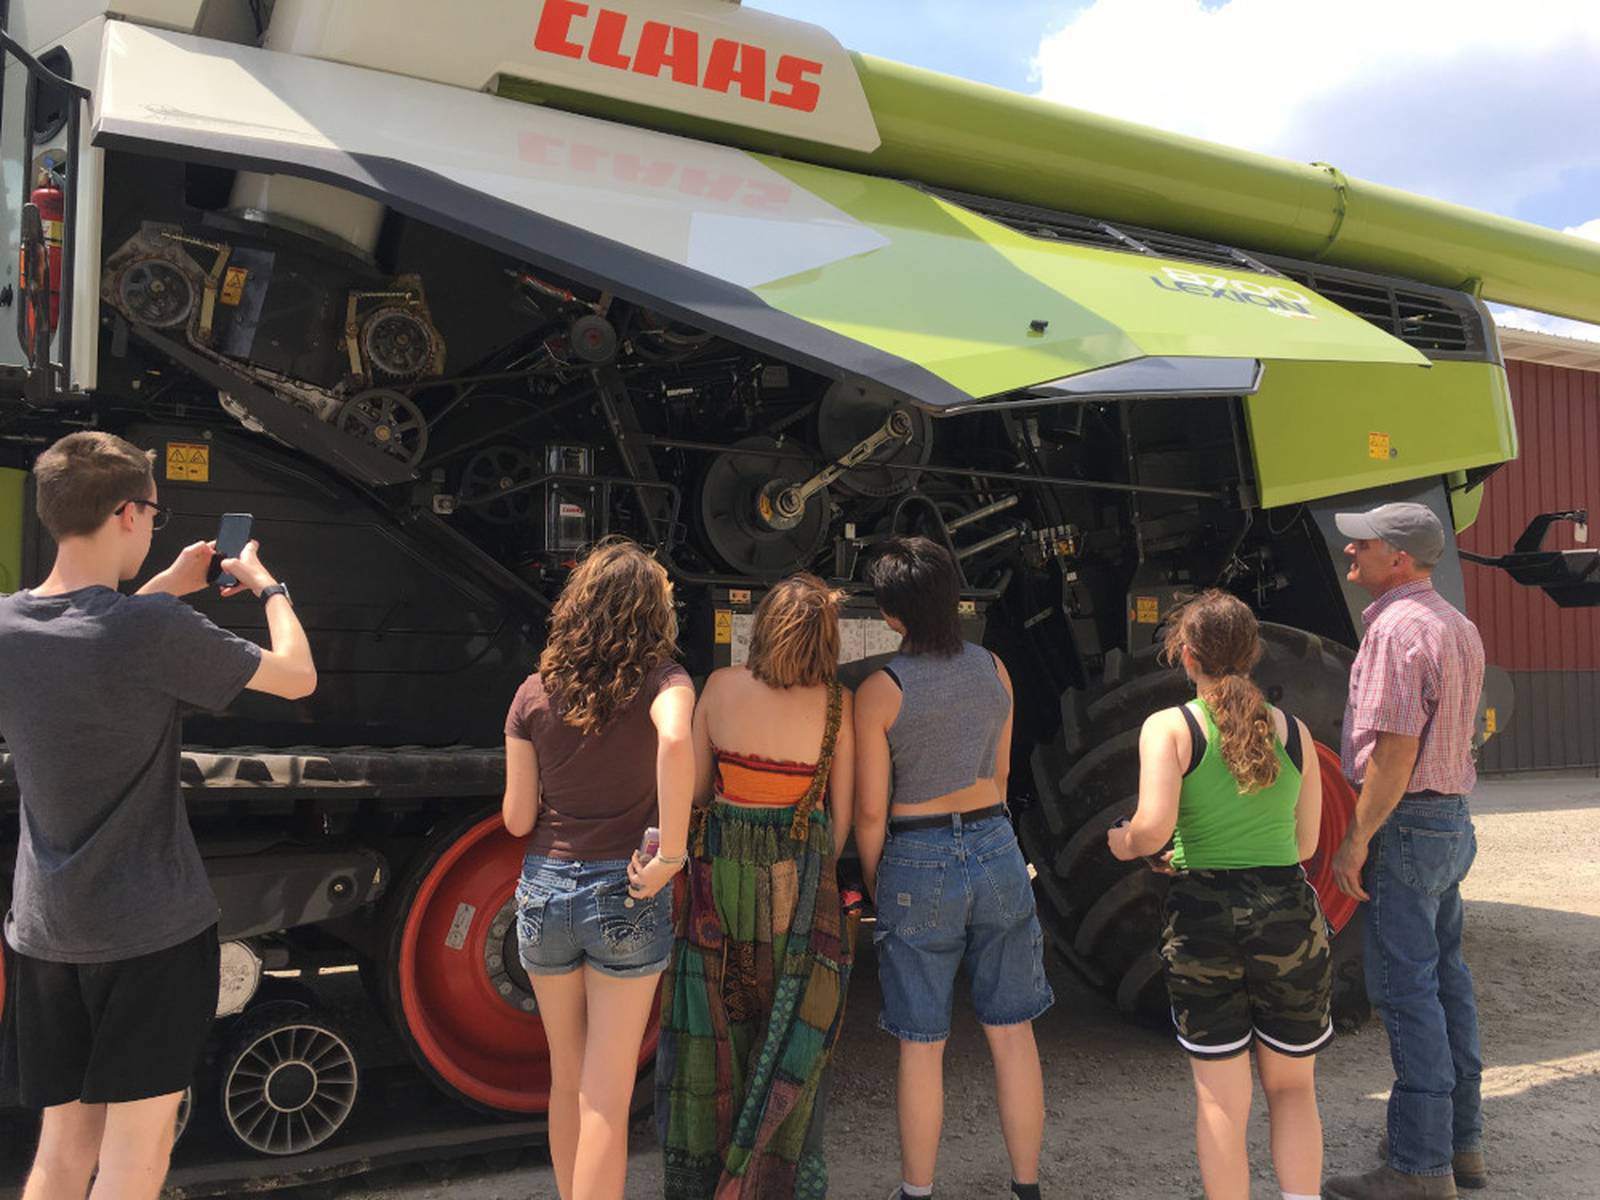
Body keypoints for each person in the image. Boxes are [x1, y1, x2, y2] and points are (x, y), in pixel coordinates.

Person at [0, 431, 316, 1200]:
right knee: (136, 1160)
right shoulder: (151, 633)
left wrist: (167, 585)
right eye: (153, 510)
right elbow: (298, 678)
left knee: (62, 1151)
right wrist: (269, 588)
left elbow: (87, 635)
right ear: (126, 515)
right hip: (149, 933)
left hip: (45, 934)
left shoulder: (9, 625)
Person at [1108, 589, 1329, 1200]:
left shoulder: (1170, 728)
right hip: (1287, 912)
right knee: (1293, 1089)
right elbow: (1306, 842)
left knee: (1220, 1099)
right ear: (1254, 652)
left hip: (1204, 917)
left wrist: (1122, 841)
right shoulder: (1295, 733)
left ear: (1184, 653)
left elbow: (1152, 829)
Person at [853, 536, 1051, 1200]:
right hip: (996, 844)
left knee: (921, 1041)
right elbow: (999, 774)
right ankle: (1027, 1186)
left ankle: (917, 1191)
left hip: (916, 848)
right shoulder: (994, 668)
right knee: (1012, 1031)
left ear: (889, 613)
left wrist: (883, 881)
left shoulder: (882, 690)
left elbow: (871, 814)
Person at [501, 538, 694, 1200]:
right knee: (606, 1096)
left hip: (545, 891)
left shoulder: (532, 694)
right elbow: (674, 738)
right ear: (652, 614)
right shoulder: (666, 682)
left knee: (566, 1078)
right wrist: (671, 852)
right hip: (628, 891)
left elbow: (518, 819)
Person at [657, 573, 856, 1197]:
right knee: (794, 1030)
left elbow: (689, 795)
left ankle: (710, 1175)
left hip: (725, 894)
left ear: (763, 628)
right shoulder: (835, 705)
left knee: (723, 1027)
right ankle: (777, 1178)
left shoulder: (718, 687)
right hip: (799, 894)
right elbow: (840, 820)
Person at [1322, 503, 1487, 1200]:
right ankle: (1462, 1145)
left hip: (1407, 818)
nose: (1350, 549)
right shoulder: (1458, 625)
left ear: (1399, 558)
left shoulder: (1395, 629)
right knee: (1446, 979)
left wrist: (1355, 838)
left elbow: (1393, 752)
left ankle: (1418, 1167)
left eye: (1365, 542)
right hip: (1451, 818)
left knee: (1406, 988)